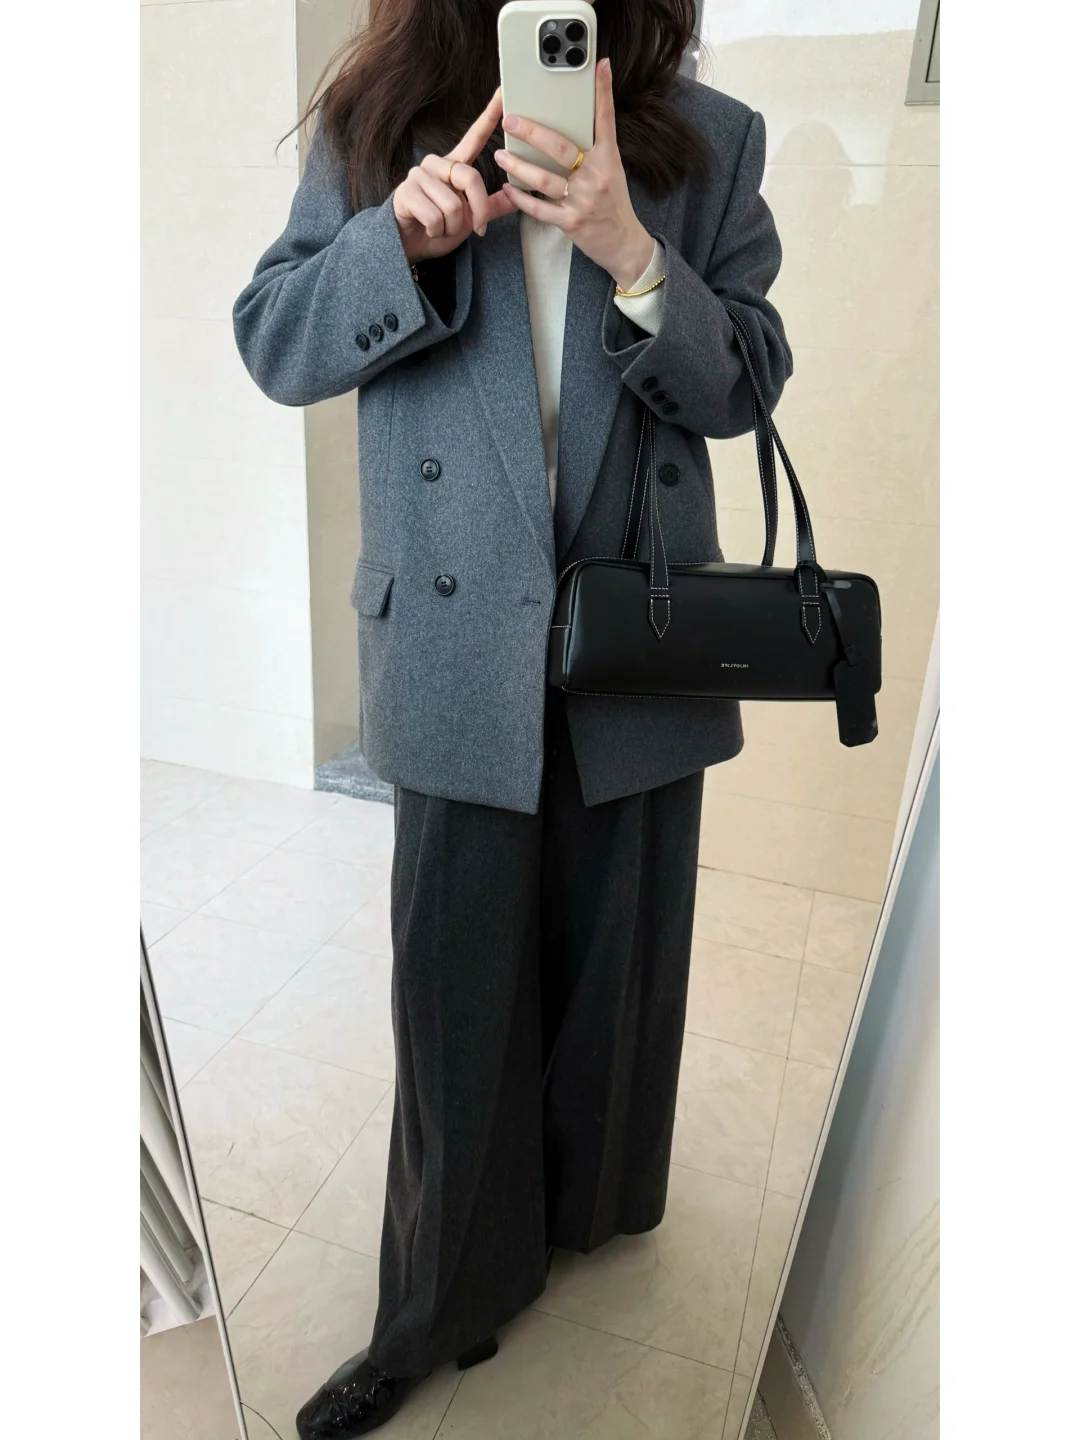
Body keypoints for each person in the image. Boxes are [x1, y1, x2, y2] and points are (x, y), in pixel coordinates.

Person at [233, 1, 791, 1433]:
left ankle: (585, 1212)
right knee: (456, 982)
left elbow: (750, 383)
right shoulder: (373, 126)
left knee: (618, 966)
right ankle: (439, 1303)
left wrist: (632, 252)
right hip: (453, 628)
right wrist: (395, 244)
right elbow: (274, 340)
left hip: (637, 626)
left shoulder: (710, 141)